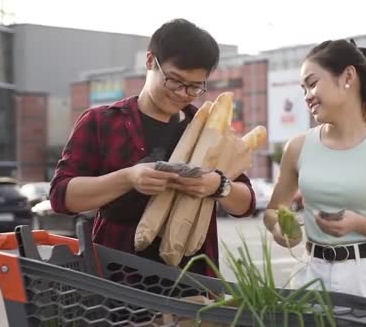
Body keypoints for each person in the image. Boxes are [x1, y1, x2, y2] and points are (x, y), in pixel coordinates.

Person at [50, 18, 256, 277]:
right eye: (174, 81)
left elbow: (246, 203)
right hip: (117, 281)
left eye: (195, 87)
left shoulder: (209, 128)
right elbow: (61, 196)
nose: (183, 93)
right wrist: (128, 178)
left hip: (195, 280)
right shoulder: (102, 121)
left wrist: (219, 186)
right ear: (150, 61)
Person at [264, 39, 366, 307]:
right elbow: (272, 211)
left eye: (312, 83)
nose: (307, 96)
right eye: (303, 88)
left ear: (348, 77)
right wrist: (282, 229)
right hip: (310, 277)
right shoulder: (297, 147)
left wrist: (360, 224)